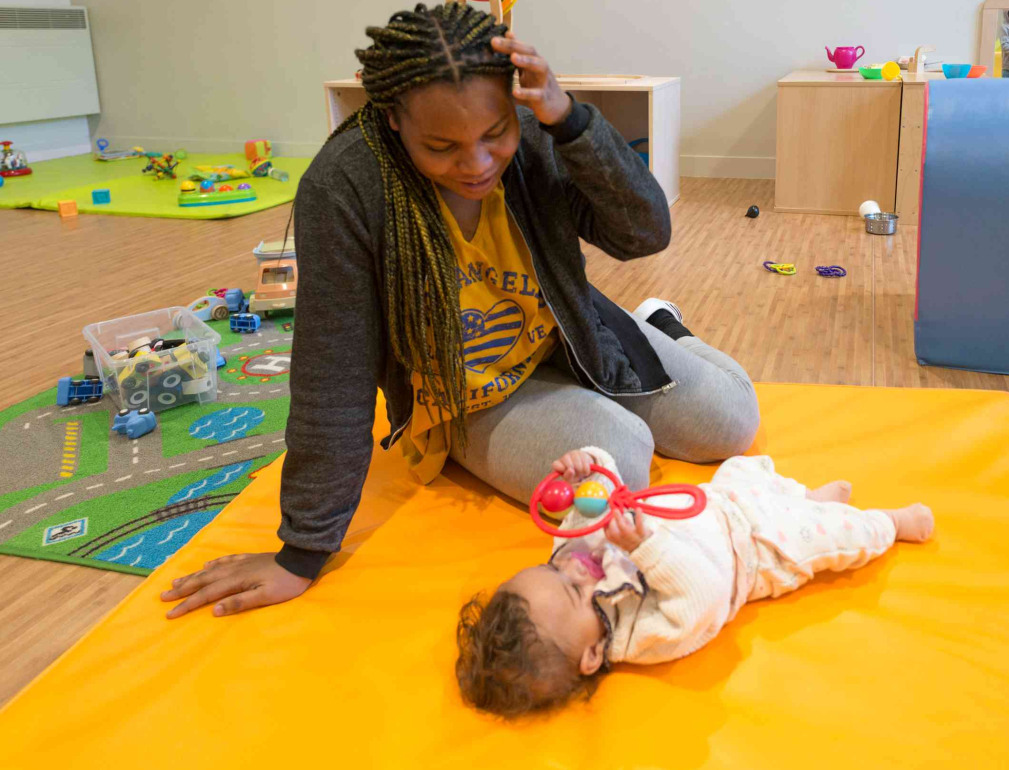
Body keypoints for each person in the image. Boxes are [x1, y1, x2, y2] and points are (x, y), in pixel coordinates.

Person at [160, 3, 760, 619]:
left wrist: (572, 120)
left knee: (730, 421)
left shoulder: (533, 135)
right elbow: (331, 372)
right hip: (469, 391)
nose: (476, 165)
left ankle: (660, 323)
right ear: (394, 119)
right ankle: (616, 369)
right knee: (616, 464)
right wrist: (302, 551)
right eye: (443, 146)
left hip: (570, 336)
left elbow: (644, 233)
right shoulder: (345, 185)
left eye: (493, 134)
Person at [455, 446, 935, 717]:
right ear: (592, 655)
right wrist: (644, 546)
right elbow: (701, 595)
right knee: (834, 537)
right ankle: (890, 523)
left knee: (744, 466)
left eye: (550, 568)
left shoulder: (570, 558)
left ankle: (804, 497)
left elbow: (610, 486)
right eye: (573, 590)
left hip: (716, 504)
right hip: (757, 550)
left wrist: (590, 466)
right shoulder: (644, 636)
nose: (575, 566)